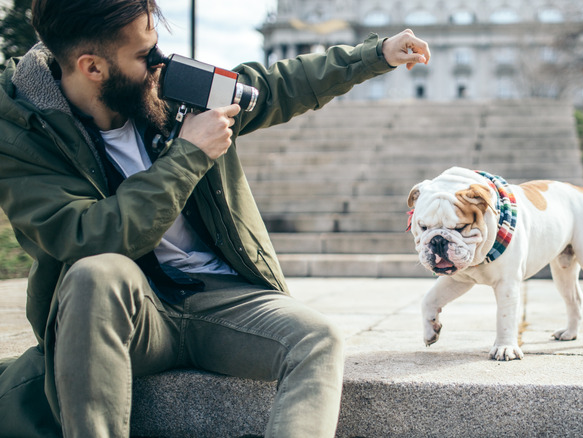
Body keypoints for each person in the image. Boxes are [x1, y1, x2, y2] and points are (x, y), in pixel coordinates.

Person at [0, 0, 430, 436]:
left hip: (222, 298)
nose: (160, 63)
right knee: (94, 273)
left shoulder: (168, 86)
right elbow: (88, 237)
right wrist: (188, 154)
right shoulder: (22, 135)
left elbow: (272, 87)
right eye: (144, 56)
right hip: (127, 313)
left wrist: (375, 55)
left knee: (317, 338)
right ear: (93, 68)